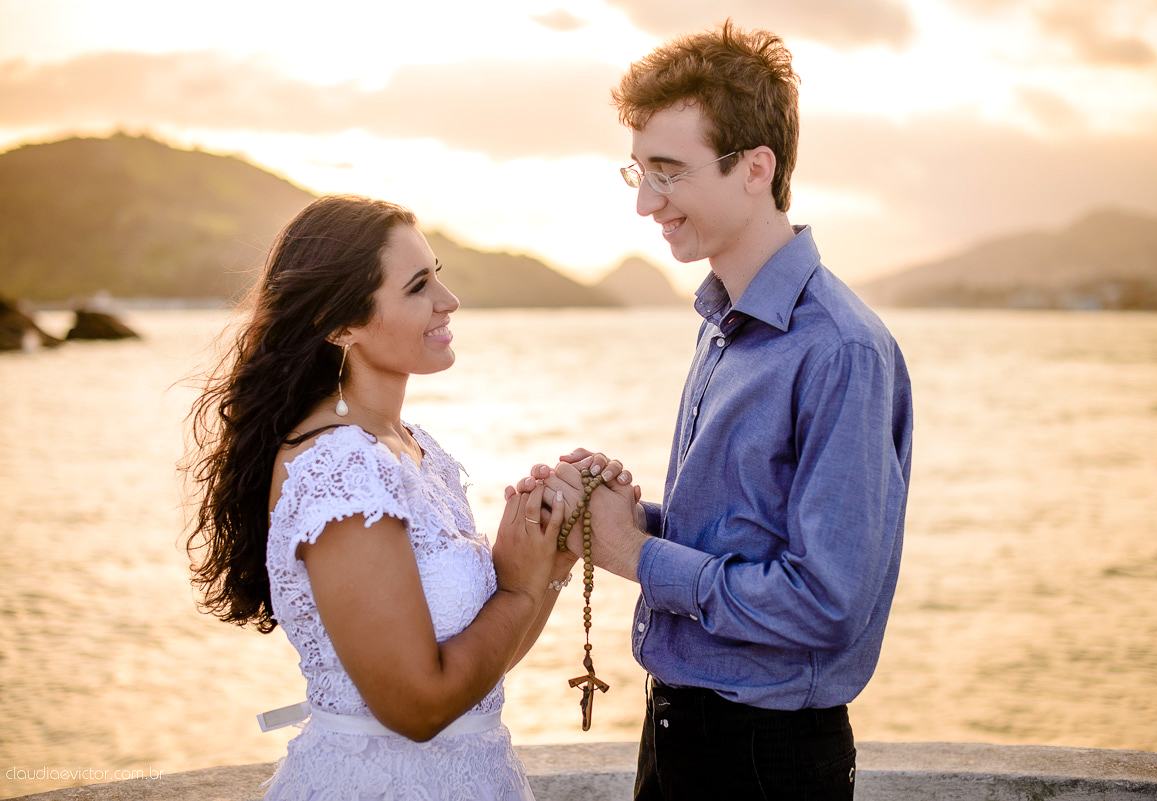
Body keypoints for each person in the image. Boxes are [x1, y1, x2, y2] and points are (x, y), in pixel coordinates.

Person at [520, 20, 914, 800]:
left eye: (668, 172)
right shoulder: (721, 325)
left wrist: (635, 555)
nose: (645, 202)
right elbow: (744, 539)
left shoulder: (841, 350)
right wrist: (631, 518)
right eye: (637, 171)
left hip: (765, 759)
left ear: (754, 169)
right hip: (674, 733)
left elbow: (826, 602)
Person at [184, 194, 587, 800]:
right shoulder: (340, 467)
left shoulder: (412, 450)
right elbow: (418, 708)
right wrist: (519, 586)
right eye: (419, 286)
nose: (448, 303)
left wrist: (551, 556)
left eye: (439, 279)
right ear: (341, 325)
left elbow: (481, 670)